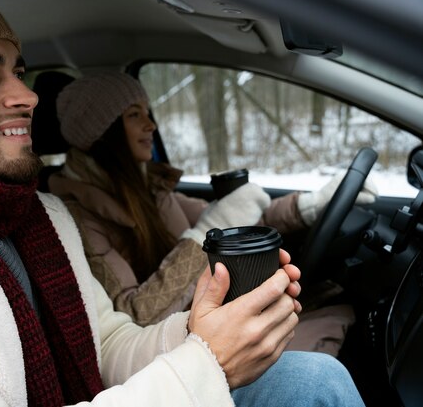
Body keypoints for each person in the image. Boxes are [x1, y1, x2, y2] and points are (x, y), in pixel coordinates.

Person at [0, 0, 365, 406]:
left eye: (17, 70)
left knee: (314, 381)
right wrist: (205, 363)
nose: (26, 95)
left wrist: (196, 330)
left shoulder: (40, 216)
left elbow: (107, 346)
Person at [49, 71, 375, 354]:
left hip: (214, 324)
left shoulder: (151, 188)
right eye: (135, 115)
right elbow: (136, 317)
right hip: (180, 347)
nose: (151, 124)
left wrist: (310, 205)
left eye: (148, 112)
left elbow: (236, 220)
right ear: (102, 133)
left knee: (342, 312)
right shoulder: (78, 218)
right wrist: (208, 232)